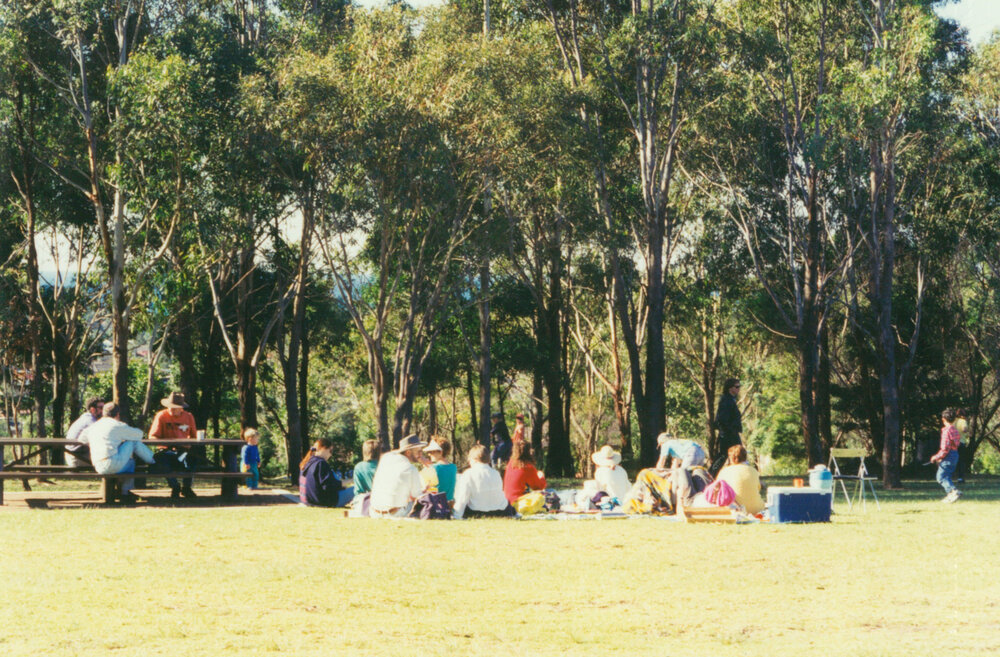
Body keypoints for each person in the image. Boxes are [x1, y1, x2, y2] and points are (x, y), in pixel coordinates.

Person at [79, 402, 155, 504]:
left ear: (104, 413)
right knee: (132, 443)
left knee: (130, 462)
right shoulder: (117, 425)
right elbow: (139, 435)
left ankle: (124, 491)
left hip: (98, 466)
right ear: (118, 414)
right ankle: (153, 461)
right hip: (112, 464)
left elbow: (81, 439)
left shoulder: (93, 426)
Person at [148, 391, 200, 499]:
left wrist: (187, 443)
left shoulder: (189, 417)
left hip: (184, 451)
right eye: (170, 407)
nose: (172, 409)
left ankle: (187, 488)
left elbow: (195, 436)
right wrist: (166, 443)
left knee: (193, 459)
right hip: (166, 450)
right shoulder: (161, 416)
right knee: (162, 461)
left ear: (181, 408)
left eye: (175, 407)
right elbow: (152, 436)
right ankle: (175, 486)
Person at [369, 434, 427, 517]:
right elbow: (417, 498)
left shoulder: (385, 459)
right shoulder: (411, 469)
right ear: (408, 452)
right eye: (418, 451)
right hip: (394, 514)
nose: (421, 454)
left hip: (374, 513)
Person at [454, 445, 516, 519]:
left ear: (474, 459)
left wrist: (456, 515)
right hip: (501, 511)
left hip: (478, 512)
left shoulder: (468, 474)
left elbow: (463, 498)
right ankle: (516, 513)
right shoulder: (496, 473)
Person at [299, 438, 353, 507]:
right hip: (324, 502)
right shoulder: (320, 463)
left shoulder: (307, 462)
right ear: (323, 448)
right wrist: (349, 481)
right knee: (356, 489)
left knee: (332, 473)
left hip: (308, 501)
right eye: (330, 451)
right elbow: (329, 486)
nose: (331, 454)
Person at [715, 444, 765, 515]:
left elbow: (717, 491)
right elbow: (758, 488)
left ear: (730, 458)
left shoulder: (724, 471)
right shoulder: (753, 471)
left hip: (736, 509)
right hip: (757, 509)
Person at [713, 378, 743, 475]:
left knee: (734, 455)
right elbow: (721, 419)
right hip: (728, 435)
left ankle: (735, 475)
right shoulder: (726, 401)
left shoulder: (730, 400)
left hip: (731, 433)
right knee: (723, 456)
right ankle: (710, 476)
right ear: (730, 388)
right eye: (737, 386)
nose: (739, 389)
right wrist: (728, 431)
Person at [931, 408, 962, 503]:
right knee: (947, 475)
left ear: (943, 419)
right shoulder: (955, 430)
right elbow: (957, 444)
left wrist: (936, 457)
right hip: (955, 454)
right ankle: (950, 496)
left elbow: (945, 448)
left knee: (941, 476)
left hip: (948, 455)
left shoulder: (946, 431)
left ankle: (953, 491)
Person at [502, 440, 547, 505]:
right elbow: (538, 487)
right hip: (518, 503)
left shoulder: (510, 463)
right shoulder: (527, 467)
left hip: (507, 501)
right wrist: (541, 476)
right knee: (550, 492)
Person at [64, 397, 103, 467]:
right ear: (92, 410)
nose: (103, 410)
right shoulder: (90, 421)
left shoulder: (86, 418)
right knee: (109, 459)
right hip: (77, 459)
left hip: (74, 456)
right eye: (101, 407)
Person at [423, 437, 458, 502]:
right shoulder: (454, 467)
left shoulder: (432, 468)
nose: (429, 454)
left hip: (436, 506)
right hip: (449, 505)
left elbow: (427, 490)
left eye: (432, 452)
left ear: (440, 452)